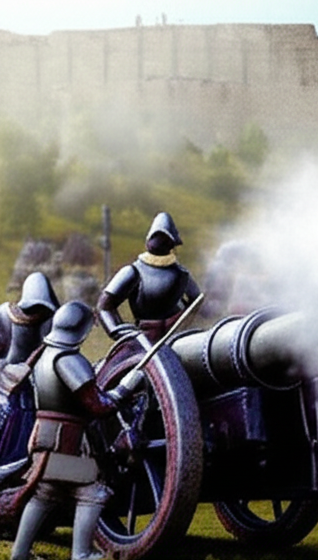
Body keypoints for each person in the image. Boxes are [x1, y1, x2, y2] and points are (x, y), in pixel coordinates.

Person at [9, 300, 144, 560]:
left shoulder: (42, 356)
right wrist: (125, 388)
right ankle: (81, 554)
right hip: (67, 441)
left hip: (43, 437)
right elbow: (98, 406)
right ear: (80, 330)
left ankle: (20, 553)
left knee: (44, 494)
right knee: (94, 493)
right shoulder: (69, 360)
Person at [96, 211, 202, 343]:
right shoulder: (133, 271)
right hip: (144, 338)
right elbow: (105, 305)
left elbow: (197, 301)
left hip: (177, 338)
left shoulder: (181, 274)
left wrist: (182, 323)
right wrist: (118, 332)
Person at [0, 272, 60, 469]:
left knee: (24, 421)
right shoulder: (4, 314)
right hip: (6, 380)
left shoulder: (49, 321)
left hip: (33, 385)